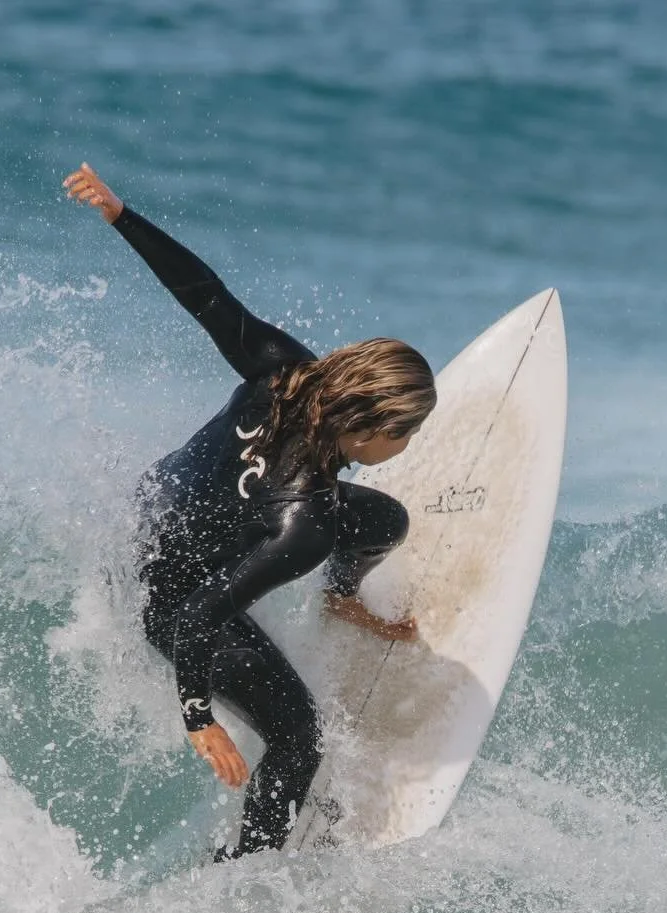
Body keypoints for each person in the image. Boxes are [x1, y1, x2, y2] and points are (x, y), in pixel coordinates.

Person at [64, 163, 436, 856]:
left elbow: (205, 295)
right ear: (366, 428)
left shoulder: (288, 373)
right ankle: (245, 871)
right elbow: (201, 613)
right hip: (162, 589)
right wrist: (198, 717)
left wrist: (122, 215)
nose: (410, 442)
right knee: (299, 736)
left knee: (386, 521)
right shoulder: (306, 525)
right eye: (406, 431)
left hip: (147, 517)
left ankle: (343, 600)